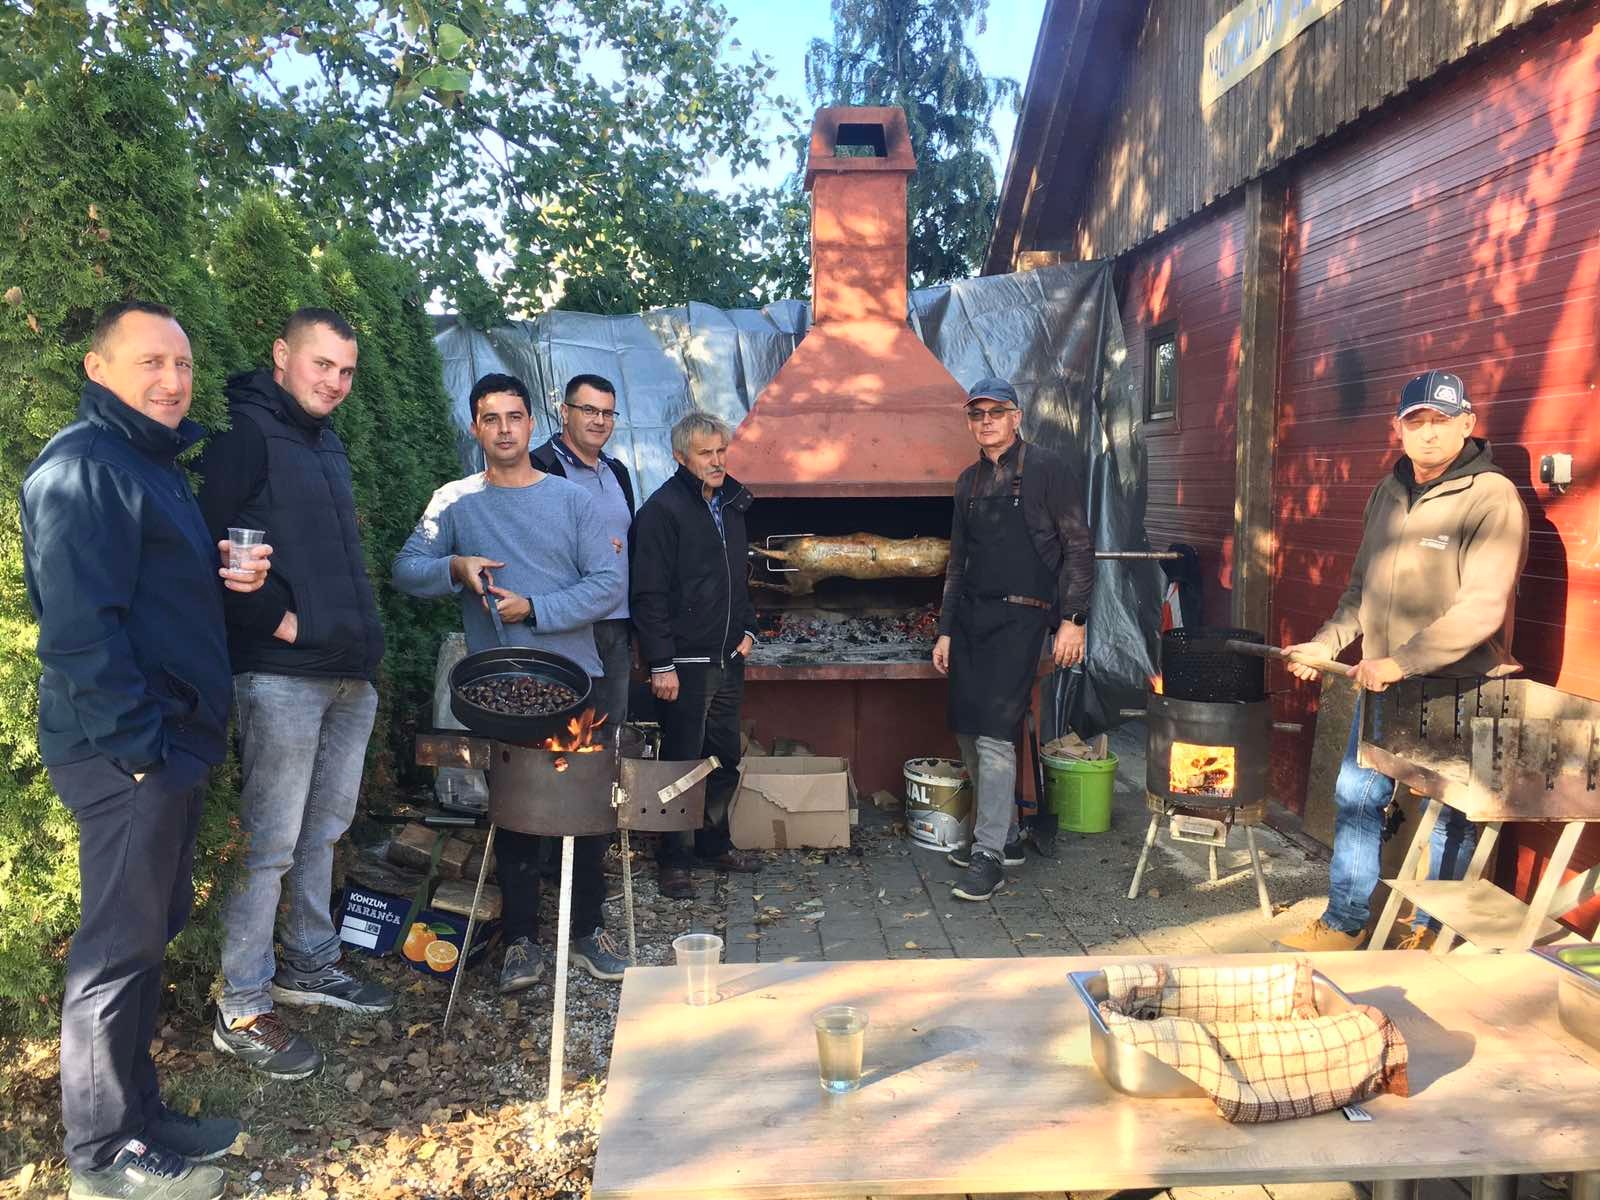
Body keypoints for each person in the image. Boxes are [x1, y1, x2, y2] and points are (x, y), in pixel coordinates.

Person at [21, 300, 273, 1200]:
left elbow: (153, 594)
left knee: (147, 939)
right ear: (99, 371)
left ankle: (141, 1116)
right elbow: (81, 634)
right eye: (149, 364)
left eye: (183, 364)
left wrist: (228, 579)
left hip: (168, 747)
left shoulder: (148, 466)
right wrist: (141, 752)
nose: (173, 381)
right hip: (127, 755)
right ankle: (101, 1161)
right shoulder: (82, 470)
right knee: (113, 956)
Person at [196, 308, 394, 1081]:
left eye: (346, 372)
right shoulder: (244, 433)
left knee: (326, 829)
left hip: (347, 672)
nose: (335, 384)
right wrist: (273, 619)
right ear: (282, 355)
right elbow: (204, 541)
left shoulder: (326, 440)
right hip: (281, 675)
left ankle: (310, 961)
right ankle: (241, 1003)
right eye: (322, 366)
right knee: (270, 842)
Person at [393, 372, 630, 991]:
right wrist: (455, 564)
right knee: (516, 814)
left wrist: (538, 610)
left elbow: (608, 584)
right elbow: (405, 570)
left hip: (580, 685)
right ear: (476, 427)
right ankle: (521, 938)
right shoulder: (454, 501)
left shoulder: (572, 500)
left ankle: (587, 930)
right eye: (491, 418)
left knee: (589, 812)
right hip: (501, 692)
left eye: (514, 417)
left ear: (532, 423)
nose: (504, 429)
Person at [1279, 370, 1529, 953]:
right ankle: (1346, 921)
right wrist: (1326, 643)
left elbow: (1483, 608)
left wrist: (1404, 661)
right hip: (1383, 685)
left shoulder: (1491, 497)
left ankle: (1431, 931)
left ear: (1467, 424)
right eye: (1417, 422)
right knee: (1357, 796)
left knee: (1451, 815)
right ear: (1399, 430)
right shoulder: (1386, 493)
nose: (1430, 434)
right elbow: (1358, 592)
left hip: (1459, 686)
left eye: (1442, 422)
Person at [932, 377, 1094, 902]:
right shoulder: (967, 483)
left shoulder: (1049, 469)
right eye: (977, 415)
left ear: (1017, 416)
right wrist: (945, 629)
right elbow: (958, 563)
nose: (986, 422)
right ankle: (1003, 835)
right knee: (966, 729)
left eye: (996, 413)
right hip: (973, 621)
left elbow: (1078, 548)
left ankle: (988, 857)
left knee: (996, 736)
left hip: (1024, 620)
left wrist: (1074, 618)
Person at [631, 412, 762, 899]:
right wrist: (661, 662)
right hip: (684, 664)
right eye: (705, 453)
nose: (716, 461)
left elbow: (737, 576)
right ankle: (674, 859)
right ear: (680, 457)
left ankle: (714, 844)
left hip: (729, 658)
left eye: (721, 451)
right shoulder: (662, 511)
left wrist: (749, 627)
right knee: (682, 763)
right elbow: (649, 594)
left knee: (724, 757)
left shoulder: (731, 505)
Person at [531, 373, 637, 879]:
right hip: (566, 626)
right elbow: (528, 548)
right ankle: (550, 852)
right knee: (557, 737)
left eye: (607, 413)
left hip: (615, 625)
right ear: (565, 412)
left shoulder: (617, 472)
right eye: (589, 410)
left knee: (606, 736)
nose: (599, 421)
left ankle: (591, 849)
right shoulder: (541, 466)